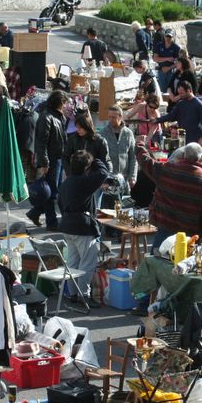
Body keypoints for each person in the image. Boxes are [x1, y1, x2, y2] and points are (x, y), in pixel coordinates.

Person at [136, 140, 202, 251]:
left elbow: (145, 161)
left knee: (158, 262)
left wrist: (140, 145)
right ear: (200, 159)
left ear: (184, 155)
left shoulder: (168, 169)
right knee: (183, 265)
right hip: (190, 231)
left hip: (166, 226)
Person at [58, 151, 109, 307]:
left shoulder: (65, 183)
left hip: (67, 224)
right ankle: (83, 295)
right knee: (87, 262)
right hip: (82, 225)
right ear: (87, 168)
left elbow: (60, 204)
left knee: (73, 260)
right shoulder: (84, 181)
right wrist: (96, 160)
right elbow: (103, 173)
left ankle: (73, 293)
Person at [29, 90, 67, 228]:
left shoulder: (58, 116)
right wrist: (44, 162)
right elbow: (41, 142)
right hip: (51, 158)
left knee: (53, 190)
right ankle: (51, 222)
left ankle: (35, 213)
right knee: (52, 191)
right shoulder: (46, 117)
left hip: (58, 157)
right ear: (60, 103)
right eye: (64, 103)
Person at [101, 105, 137, 194]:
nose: (111, 119)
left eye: (114, 117)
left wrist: (133, 176)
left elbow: (133, 157)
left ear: (120, 117)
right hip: (108, 181)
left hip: (124, 180)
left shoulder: (128, 134)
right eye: (109, 117)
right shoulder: (103, 134)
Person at [164, 80, 202, 146]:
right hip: (183, 138)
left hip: (195, 139)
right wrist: (157, 119)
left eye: (182, 93)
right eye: (179, 93)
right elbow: (171, 116)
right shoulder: (181, 103)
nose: (180, 96)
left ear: (189, 91)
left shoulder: (199, 105)